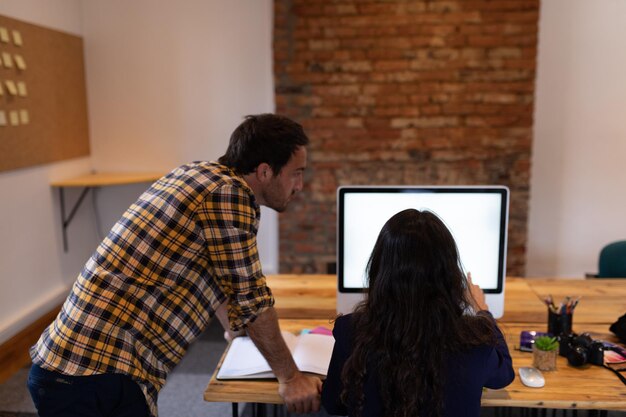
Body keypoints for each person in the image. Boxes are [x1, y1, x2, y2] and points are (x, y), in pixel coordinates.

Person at [28, 114, 321, 417]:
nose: (299, 185)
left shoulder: (199, 174)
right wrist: (291, 378)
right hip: (93, 374)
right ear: (264, 171)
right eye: (296, 173)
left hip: (73, 366)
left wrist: (237, 331)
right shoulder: (229, 195)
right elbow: (252, 300)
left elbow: (221, 275)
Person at [321, 209, 514, 417]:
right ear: (449, 275)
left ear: (380, 270)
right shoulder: (475, 340)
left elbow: (334, 404)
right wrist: (483, 312)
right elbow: (504, 374)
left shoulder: (352, 331)